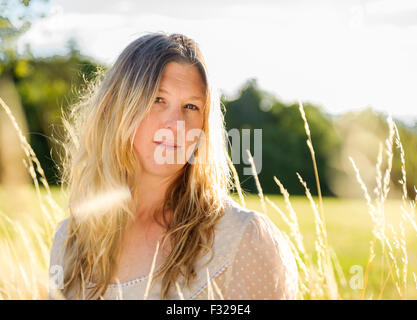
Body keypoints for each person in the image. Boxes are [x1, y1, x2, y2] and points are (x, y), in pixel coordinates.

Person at [48, 32, 298, 300]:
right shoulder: (69, 241)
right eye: (158, 99)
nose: (176, 124)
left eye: (191, 106)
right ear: (117, 108)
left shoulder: (242, 238)